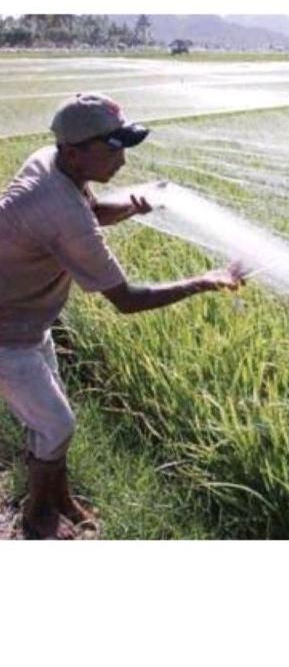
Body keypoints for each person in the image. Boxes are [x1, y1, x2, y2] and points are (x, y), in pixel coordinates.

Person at [0, 93, 245, 539]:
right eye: (113, 148)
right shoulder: (59, 211)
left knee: (50, 424)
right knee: (57, 424)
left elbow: (90, 210)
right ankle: (38, 516)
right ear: (76, 152)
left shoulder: (52, 161)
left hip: (26, 320)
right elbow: (127, 299)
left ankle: (59, 498)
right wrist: (206, 280)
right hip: (5, 335)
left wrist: (135, 203)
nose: (123, 160)